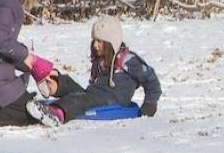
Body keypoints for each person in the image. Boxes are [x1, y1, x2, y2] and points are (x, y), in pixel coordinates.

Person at [26, 16, 162, 127]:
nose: (96, 45)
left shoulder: (128, 60)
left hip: (113, 100)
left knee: (79, 99)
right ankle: (52, 85)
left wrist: (150, 104)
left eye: (100, 41)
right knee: (68, 83)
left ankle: (56, 114)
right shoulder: (101, 59)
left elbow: (152, 81)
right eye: (95, 40)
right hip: (94, 95)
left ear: (112, 42)